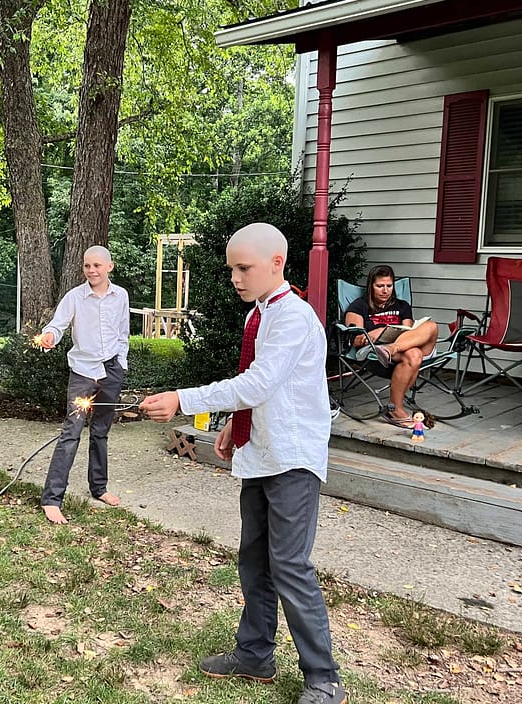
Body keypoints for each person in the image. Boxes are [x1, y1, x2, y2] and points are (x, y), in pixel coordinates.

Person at [140, 223, 346, 704]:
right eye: (232, 267)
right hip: (261, 454)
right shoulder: (259, 314)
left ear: (277, 262)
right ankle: (255, 654)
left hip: (292, 459)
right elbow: (257, 386)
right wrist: (236, 422)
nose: (234, 276)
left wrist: (182, 398)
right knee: (255, 560)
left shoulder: (293, 317)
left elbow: (257, 383)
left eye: (244, 267)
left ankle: (324, 677)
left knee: (289, 565)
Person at [36, 245, 129, 525]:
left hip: (111, 371)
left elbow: (123, 332)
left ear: (109, 267)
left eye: (97, 265)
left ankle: (98, 488)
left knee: (100, 432)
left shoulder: (120, 296)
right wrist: (49, 336)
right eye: (87, 266)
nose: (92, 270)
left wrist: (121, 364)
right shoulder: (75, 297)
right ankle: (52, 499)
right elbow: (57, 324)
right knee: (71, 433)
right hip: (83, 373)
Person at [344, 264, 439, 429]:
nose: (385, 290)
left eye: (389, 286)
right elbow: (355, 340)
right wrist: (376, 334)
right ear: (371, 286)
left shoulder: (402, 306)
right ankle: (395, 408)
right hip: (374, 351)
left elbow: (408, 331)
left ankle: (391, 349)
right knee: (414, 355)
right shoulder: (359, 306)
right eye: (380, 286)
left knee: (431, 326)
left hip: (398, 347)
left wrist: (389, 336)